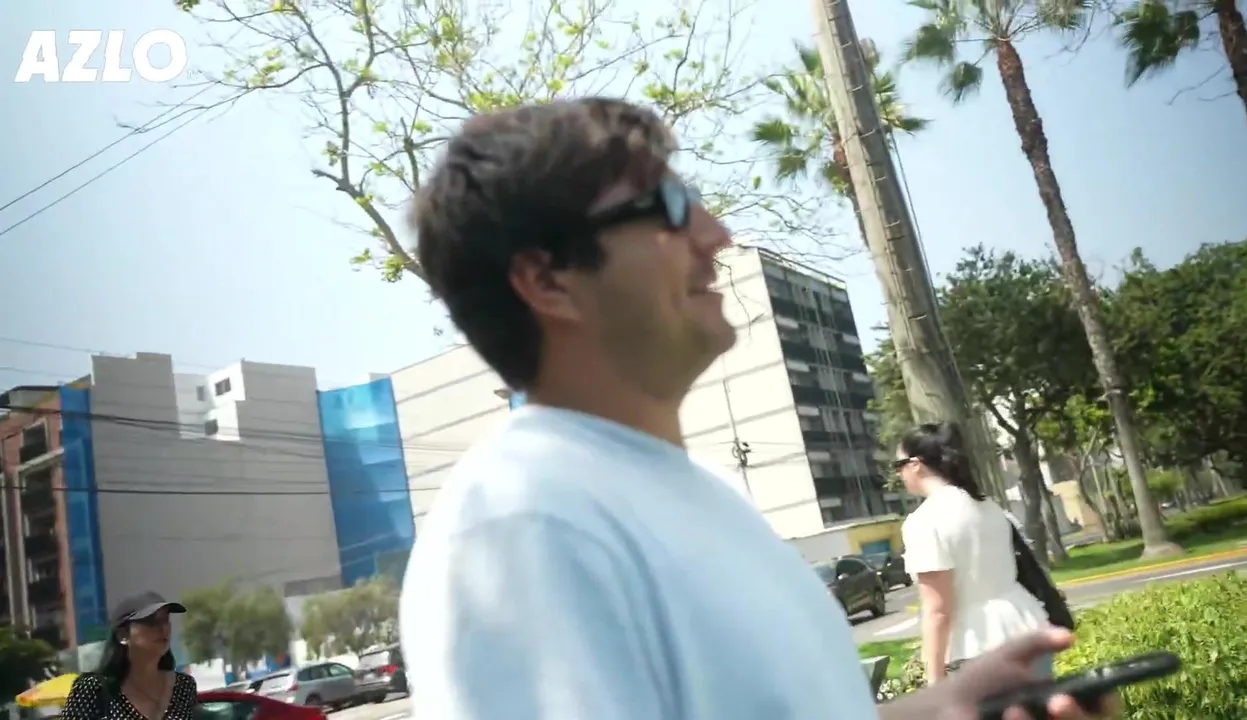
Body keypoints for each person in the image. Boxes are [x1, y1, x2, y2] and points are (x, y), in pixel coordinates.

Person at [398, 97, 1115, 719]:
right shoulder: (522, 526)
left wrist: (939, 708)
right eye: (669, 207)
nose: (717, 235)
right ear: (547, 279)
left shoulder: (702, 493)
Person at [896, 422, 1054, 685]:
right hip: (1028, 626)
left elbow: (938, 610)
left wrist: (934, 681)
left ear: (915, 465)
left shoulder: (924, 522)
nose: (898, 474)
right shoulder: (988, 506)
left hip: (977, 645)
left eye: (898, 466)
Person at [61, 592, 197, 720]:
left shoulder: (183, 686)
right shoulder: (94, 689)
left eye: (165, 620)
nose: (163, 628)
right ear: (123, 635)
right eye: (151, 621)